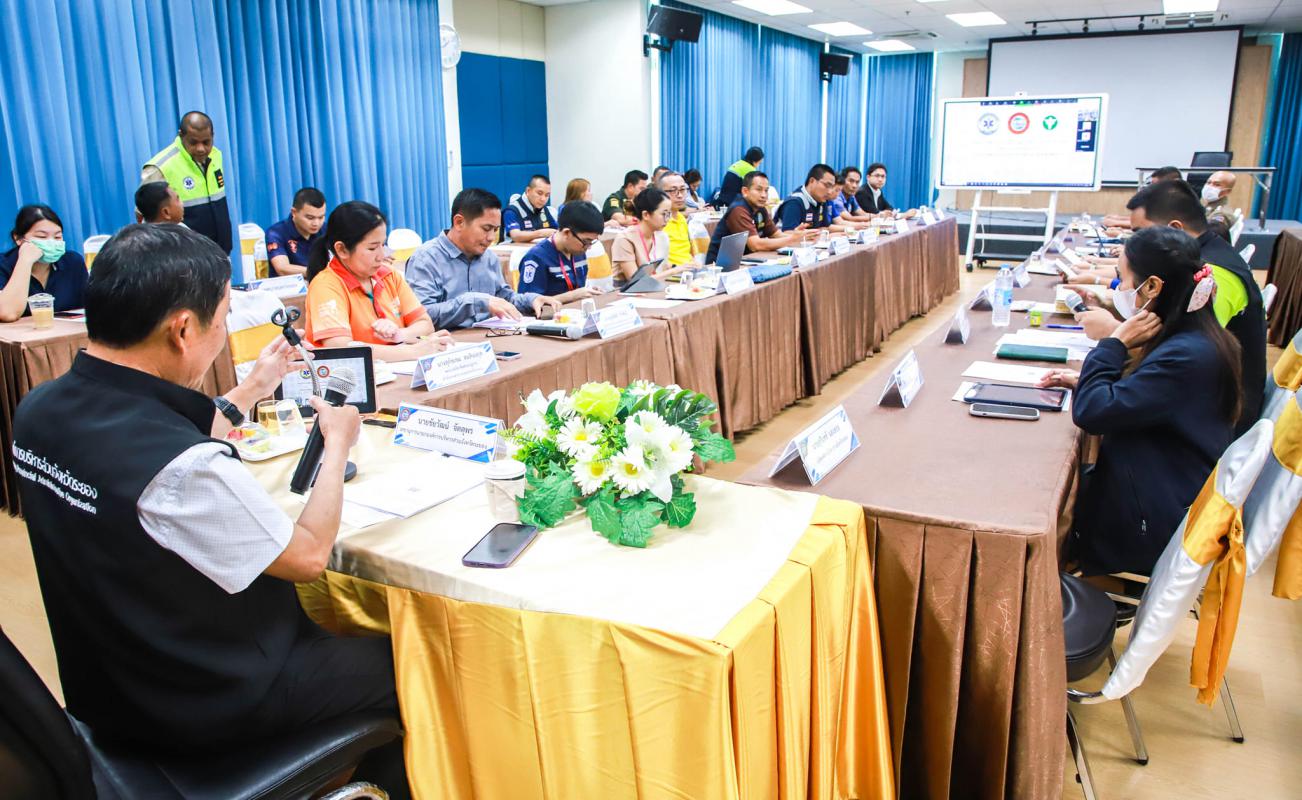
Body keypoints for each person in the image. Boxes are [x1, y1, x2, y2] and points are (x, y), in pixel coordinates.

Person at [11, 222, 409, 794]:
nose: (223, 332)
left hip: (106, 686)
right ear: (182, 329)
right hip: (210, 697)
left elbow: (157, 456)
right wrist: (338, 442)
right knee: (418, 662)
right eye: (222, 319)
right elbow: (307, 557)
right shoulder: (184, 468)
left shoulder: (40, 409)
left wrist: (250, 391)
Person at [1039, 226, 1242, 576]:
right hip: (1161, 487)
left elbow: (1091, 413)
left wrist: (1114, 344)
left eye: (1122, 278)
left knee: (1042, 491)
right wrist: (1096, 380)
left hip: (1146, 522)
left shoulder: (1187, 355)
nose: (1118, 288)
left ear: (1151, 287)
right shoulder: (1197, 336)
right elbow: (1152, 397)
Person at [1073, 180, 1265, 433]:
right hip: (1183, 409)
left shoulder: (1216, 280)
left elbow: (1175, 364)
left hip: (1221, 423)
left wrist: (1114, 337)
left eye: (1140, 232)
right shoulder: (1193, 268)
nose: (1135, 239)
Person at [304, 201, 451, 359]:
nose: (382, 255)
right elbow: (340, 348)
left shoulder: (388, 275)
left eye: (383, 244)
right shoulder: (326, 286)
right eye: (372, 248)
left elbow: (425, 324)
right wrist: (412, 351)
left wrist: (399, 334)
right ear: (342, 249)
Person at [405, 189, 563, 328]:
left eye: (496, 230)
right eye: (486, 229)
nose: (491, 238)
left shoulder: (489, 258)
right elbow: (421, 315)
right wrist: (475, 302)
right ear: (459, 222)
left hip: (490, 339)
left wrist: (532, 300)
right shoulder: (426, 259)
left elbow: (505, 298)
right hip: (447, 346)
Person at [142, 111, 232, 253]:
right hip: (186, 257)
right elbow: (145, 218)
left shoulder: (216, 155)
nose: (201, 149)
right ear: (181, 135)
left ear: (213, 136)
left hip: (220, 252)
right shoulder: (160, 167)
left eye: (206, 142)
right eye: (193, 142)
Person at [0, 205, 88, 322]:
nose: (51, 242)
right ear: (18, 238)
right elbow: (7, 313)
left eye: (57, 237)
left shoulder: (73, 262)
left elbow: (90, 308)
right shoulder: (3, 265)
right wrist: (24, 262)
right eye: (41, 236)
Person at [705, 171, 804, 263]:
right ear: (745, 191)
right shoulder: (738, 210)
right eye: (759, 190)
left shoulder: (760, 208)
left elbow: (776, 234)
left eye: (766, 190)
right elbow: (755, 245)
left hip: (746, 261)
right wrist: (791, 239)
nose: (764, 195)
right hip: (720, 267)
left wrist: (800, 236)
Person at [516, 203, 607, 301]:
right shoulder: (536, 258)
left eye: (592, 241)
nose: (588, 247)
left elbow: (576, 288)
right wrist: (572, 296)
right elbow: (527, 304)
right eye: (586, 241)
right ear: (567, 233)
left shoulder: (578, 251)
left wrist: (588, 292)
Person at [611, 187, 682, 286]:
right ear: (646, 215)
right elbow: (636, 281)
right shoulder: (625, 239)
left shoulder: (662, 236)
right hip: (625, 292)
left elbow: (663, 268)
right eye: (664, 214)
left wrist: (679, 268)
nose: (668, 219)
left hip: (654, 288)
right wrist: (675, 271)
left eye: (669, 214)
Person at [265, 187, 327, 277]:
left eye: (321, 217)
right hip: (289, 285)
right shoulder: (276, 233)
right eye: (310, 218)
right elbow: (282, 269)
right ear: (294, 212)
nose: (316, 223)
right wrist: (321, 273)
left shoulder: (326, 229)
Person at [776, 164, 851, 232]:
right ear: (812, 181)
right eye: (827, 185)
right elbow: (787, 233)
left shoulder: (821, 201)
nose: (830, 192)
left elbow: (824, 228)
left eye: (832, 187)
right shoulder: (794, 203)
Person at [1102, 166, 1182, 228]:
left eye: (1156, 185)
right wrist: (1119, 218)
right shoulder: (1164, 199)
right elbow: (1146, 220)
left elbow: (1152, 226)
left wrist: (1117, 225)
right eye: (1151, 184)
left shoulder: (1178, 201)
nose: (1152, 188)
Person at [657, 171, 699, 267]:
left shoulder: (681, 218)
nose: (680, 195)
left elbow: (686, 253)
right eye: (673, 190)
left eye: (683, 189)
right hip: (673, 271)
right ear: (660, 194)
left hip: (689, 270)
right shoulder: (658, 223)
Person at [502, 175, 557, 243]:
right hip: (512, 249)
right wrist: (540, 233)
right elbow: (515, 236)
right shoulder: (511, 210)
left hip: (537, 248)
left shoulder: (543, 209)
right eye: (539, 193)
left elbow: (557, 230)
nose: (543, 199)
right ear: (528, 191)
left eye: (547, 195)